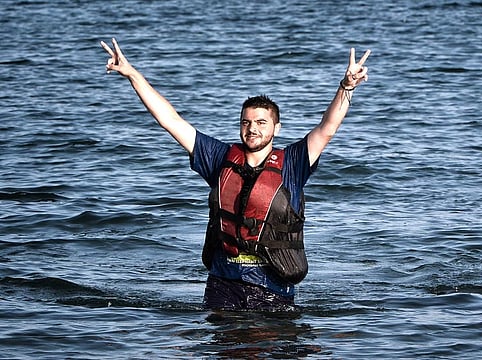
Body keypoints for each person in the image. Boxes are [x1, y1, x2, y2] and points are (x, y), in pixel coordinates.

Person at [101, 38, 371, 311]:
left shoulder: (294, 162)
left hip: (272, 289)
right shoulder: (219, 158)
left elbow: (328, 128)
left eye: (261, 123)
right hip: (222, 286)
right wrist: (132, 74)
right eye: (246, 122)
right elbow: (170, 120)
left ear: (276, 128)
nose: (252, 129)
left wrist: (346, 87)